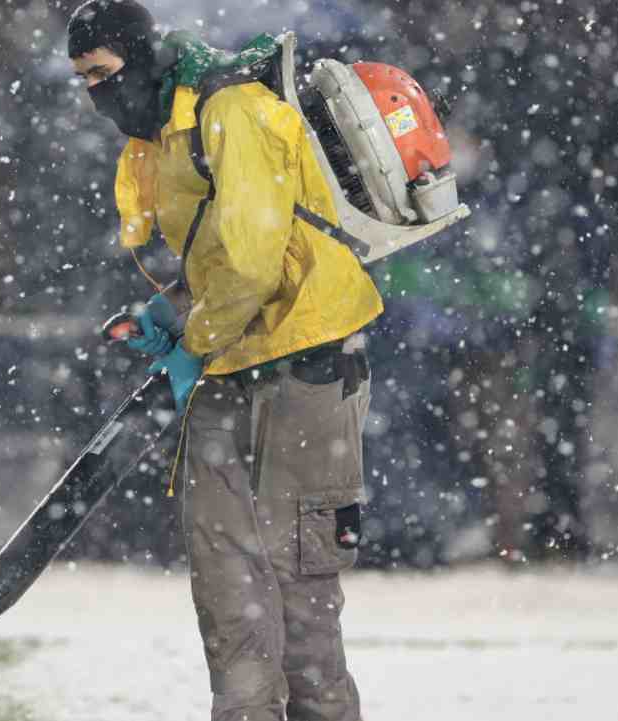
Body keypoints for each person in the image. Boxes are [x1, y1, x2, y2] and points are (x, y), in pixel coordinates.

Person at [66, 2, 384, 719]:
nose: (94, 92)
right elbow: (220, 256)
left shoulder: (229, 107)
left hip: (308, 362)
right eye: (81, 78)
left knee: (299, 591)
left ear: (141, 56)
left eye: (102, 72)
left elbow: (250, 258)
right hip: (232, 359)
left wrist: (192, 342)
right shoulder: (166, 132)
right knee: (226, 582)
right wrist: (171, 313)